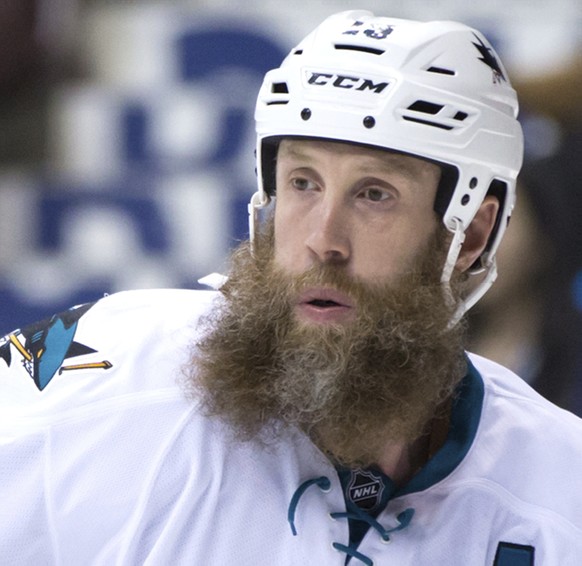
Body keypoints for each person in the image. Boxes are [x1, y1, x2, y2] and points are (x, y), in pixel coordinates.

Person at [1, 10, 581, 565]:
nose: (322, 240)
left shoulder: (562, 483)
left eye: (374, 193)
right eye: (302, 183)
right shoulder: (102, 362)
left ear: (472, 233)